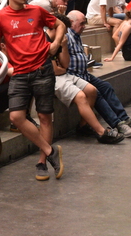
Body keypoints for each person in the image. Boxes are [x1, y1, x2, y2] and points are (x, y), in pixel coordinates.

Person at [0, 0, 65, 181]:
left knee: (44, 116)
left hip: (42, 69)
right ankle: (51, 151)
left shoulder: (37, 11)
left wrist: (55, 44)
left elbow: (60, 25)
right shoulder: (1, 17)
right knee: (16, 117)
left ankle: (42, 162)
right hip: (19, 72)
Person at [66, 11, 131, 137]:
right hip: (73, 76)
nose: (84, 27)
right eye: (81, 24)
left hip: (83, 73)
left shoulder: (77, 35)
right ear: (71, 23)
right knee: (96, 92)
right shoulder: (66, 36)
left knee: (106, 86)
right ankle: (117, 124)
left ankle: (125, 119)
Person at [48, 14, 124, 144]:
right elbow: (55, 70)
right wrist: (62, 69)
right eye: (63, 31)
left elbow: (65, 65)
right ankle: (101, 132)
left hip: (64, 74)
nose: (65, 34)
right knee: (81, 96)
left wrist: (64, 46)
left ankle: (83, 126)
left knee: (92, 90)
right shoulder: (45, 40)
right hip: (51, 78)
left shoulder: (60, 40)